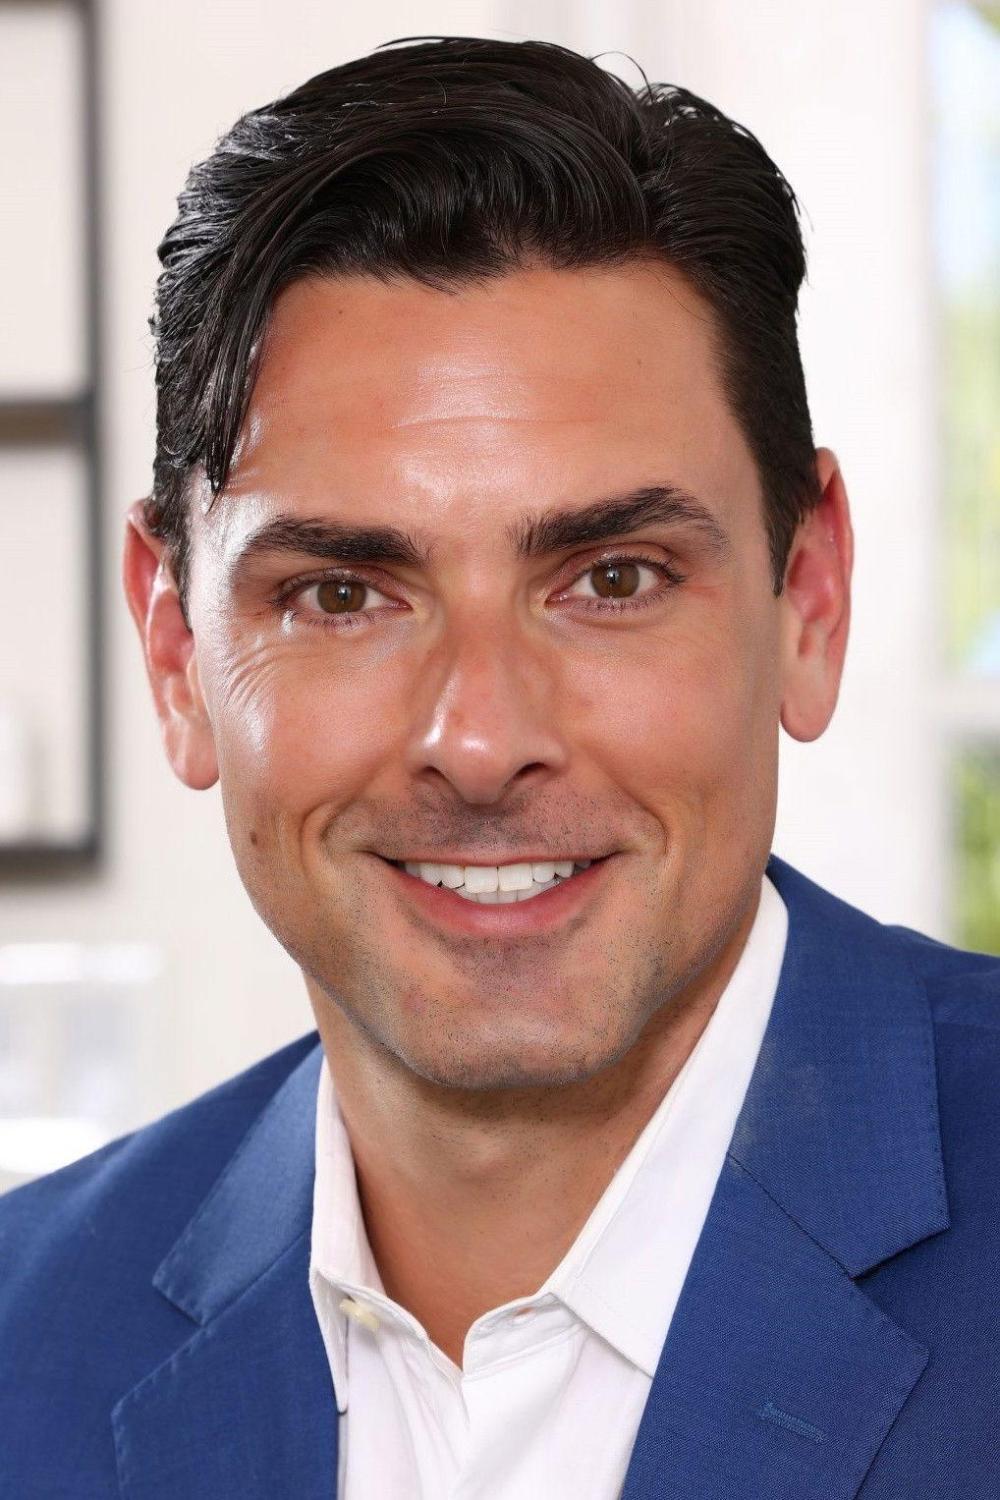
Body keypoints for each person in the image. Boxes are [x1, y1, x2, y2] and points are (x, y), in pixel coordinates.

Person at [1, 33, 998, 1500]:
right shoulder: (21, 1342)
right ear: (173, 649)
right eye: (344, 594)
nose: (478, 742)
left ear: (808, 599)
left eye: (612, 579)